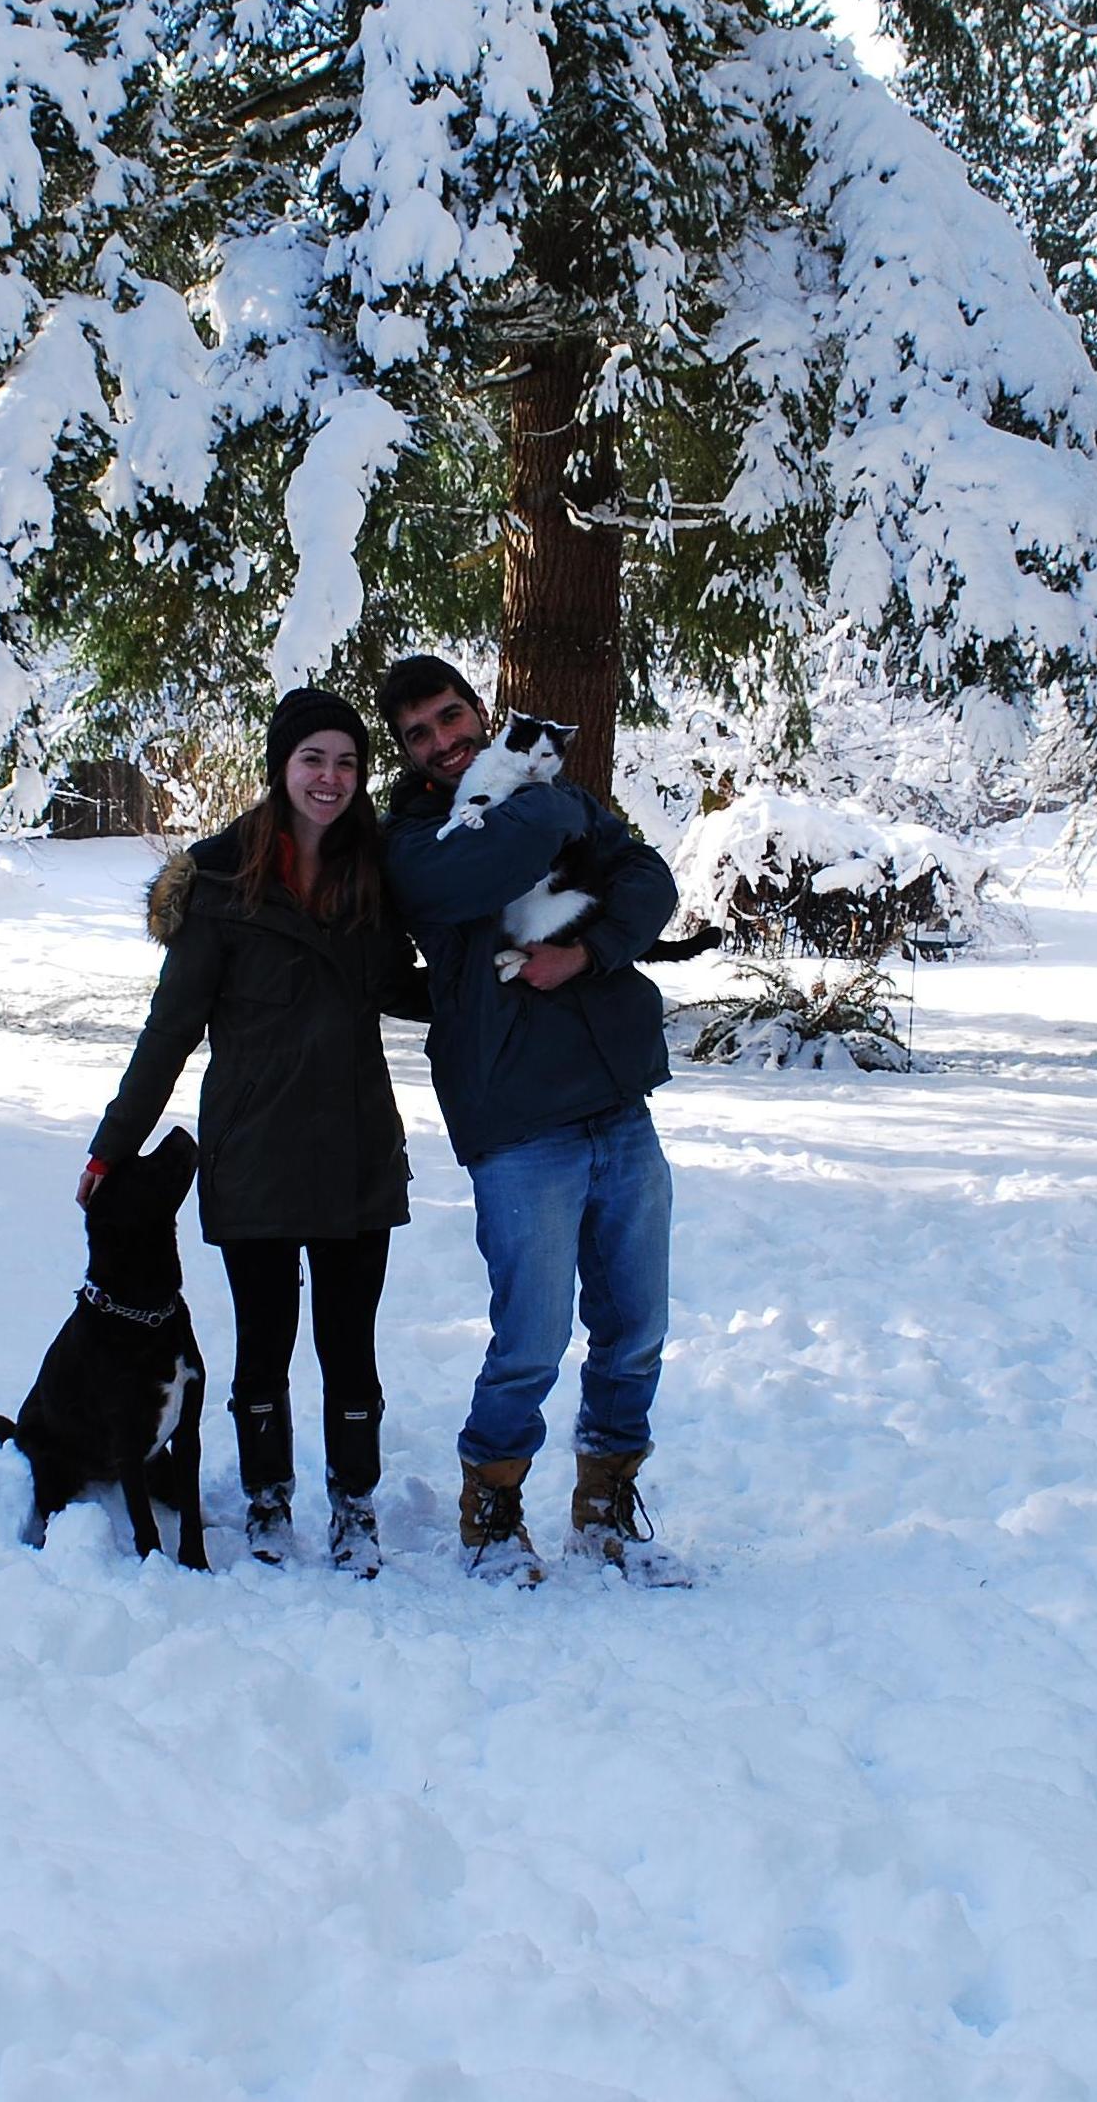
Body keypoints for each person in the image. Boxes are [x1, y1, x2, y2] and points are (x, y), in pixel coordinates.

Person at [86, 688, 421, 1575]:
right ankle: (268, 1497)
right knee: (262, 1347)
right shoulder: (220, 882)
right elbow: (170, 1029)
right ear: (281, 766)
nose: (330, 777)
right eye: (313, 759)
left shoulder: (373, 871)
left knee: (350, 1348)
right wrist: (114, 1145)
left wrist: (506, 982)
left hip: (356, 1148)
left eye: (346, 762)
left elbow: (401, 984)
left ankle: (354, 1504)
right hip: (255, 1152)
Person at [378, 655, 689, 1586]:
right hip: (516, 1118)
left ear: (479, 710)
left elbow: (649, 882)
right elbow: (483, 869)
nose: (441, 742)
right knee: (530, 1338)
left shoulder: (544, 794)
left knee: (635, 1325)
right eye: (419, 735)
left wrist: (585, 953)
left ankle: (605, 1508)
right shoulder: (415, 836)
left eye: (450, 717)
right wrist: (560, 808)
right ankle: (491, 1510)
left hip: (616, 1100)